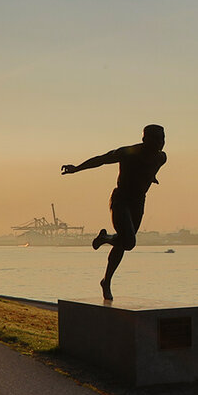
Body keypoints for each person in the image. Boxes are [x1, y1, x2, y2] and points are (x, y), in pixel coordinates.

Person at [62, 124, 167, 301]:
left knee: (123, 243)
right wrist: (76, 168)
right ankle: (104, 238)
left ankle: (106, 281)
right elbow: (101, 159)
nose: (160, 143)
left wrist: (151, 176)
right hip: (121, 200)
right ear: (144, 139)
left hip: (138, 202)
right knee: (129, 242)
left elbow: (151, 168)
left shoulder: (161, 158)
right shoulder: (128, 153)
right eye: (156, 139)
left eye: (162, 139)